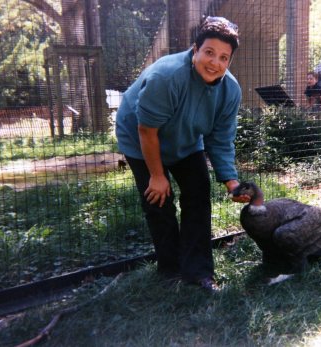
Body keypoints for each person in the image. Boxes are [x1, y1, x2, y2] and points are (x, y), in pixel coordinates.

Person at [115, 16, 249, 292]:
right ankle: (170, 269)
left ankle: (198, 272)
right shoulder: (167, 76)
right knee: (159, 200)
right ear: (195, 49)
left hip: (186, 140)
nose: (215, 63)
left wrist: (231, 182)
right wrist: (157, 174)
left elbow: (221, 139)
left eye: (224, 58)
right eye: (209, 52)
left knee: (198, 194)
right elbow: (147, 130)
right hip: (140, 137)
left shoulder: (230, 90)